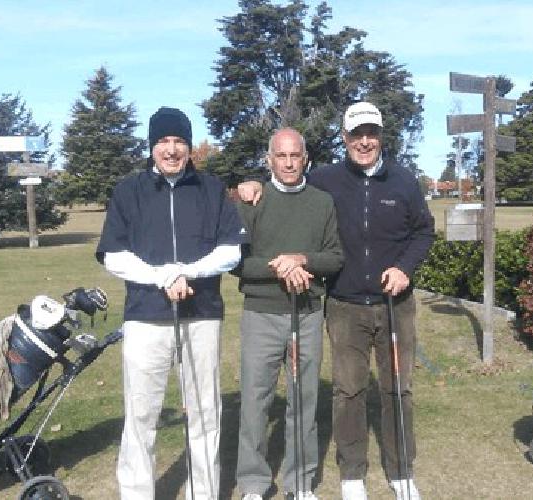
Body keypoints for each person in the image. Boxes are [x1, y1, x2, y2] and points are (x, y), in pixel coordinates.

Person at [236, 102, 436, 500]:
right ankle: (351, 473)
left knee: (398, 388)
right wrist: (248, 183)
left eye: (372, 134)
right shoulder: (327, 180)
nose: (365, 142)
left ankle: (400, 471)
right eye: (356, 134)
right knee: (348, 391)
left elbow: (423, 232)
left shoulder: (404, 181)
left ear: (381, 137)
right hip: (344, 304)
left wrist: (406, 268)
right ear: (344, 139)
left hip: (395, 300)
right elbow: (281, 187)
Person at [96, 106, 247, 500]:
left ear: (190, 146)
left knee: (204, 414)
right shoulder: (129, 191)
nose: (171, 149)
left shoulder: (211, 189)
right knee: (141, 417)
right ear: (151, 146)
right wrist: (162, 275)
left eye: (179, 141)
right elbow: (113, 254)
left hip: (202, 317)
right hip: (146, 319)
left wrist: (187, 272)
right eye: (163, 141)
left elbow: (231, 250)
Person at [232, 128, 344, 500]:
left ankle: (300, 482)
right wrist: (279, 267)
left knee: (303, 399)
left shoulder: (322, 202)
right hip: (261, 313)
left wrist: (303, 260)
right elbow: (238, 263)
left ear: (306, 158)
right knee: (255, 399)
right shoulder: (251, 201)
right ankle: (252, 482)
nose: (289, 162)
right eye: (281, 156)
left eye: (295, 155)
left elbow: (335, 257)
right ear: (269, 160)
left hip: (308, 313)